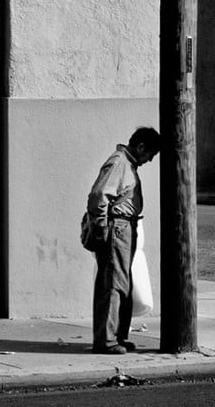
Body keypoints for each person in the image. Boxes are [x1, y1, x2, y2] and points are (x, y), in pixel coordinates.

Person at [86, 126, 161, 354]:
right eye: (150, 154)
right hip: (117, 227)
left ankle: (118, 336)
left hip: (125, 226)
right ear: (140, 147)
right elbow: (99, 195)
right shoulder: (119, 163)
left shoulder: (127, 164)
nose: (149, 160)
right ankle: (106, 341)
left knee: (123, 284)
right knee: (113, 284)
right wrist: (101, 227)